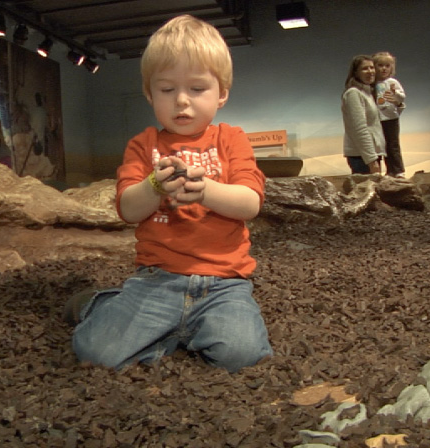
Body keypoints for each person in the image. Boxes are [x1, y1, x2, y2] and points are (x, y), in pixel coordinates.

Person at [64, 15, 273, 373]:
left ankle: (169, 333)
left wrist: (205, 190)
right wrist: (155, 186)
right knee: (95, 352)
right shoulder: (143, 145)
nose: (181, 102)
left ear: (221, 93)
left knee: (243, 356)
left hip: (225, 285)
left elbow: (249, 202)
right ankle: (99, 305)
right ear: (148, 93)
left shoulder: (231, 139)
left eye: (197, 89)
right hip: (157, 279)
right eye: (166, 90)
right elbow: (128, 209)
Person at [341, 54, 386, 175]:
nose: (370, 71)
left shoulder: (368, 93)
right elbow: (359, 129)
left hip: (370, 154)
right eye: (365, 68)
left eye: (372, 67)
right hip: (362, 157)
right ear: (355, 72)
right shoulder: (353, 94)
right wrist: (371, 160)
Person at [373, 51, 407, 178]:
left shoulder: (393, 82)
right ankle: (387, 171)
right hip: (377, 119)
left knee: (393, 144)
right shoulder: (372, 84)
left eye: (387, 66)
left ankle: (398, 171)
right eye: (380, 65)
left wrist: (395, 95)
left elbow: (402, 97)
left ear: (391, 67)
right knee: (381, 146)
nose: (383, 69)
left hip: (391, 118)